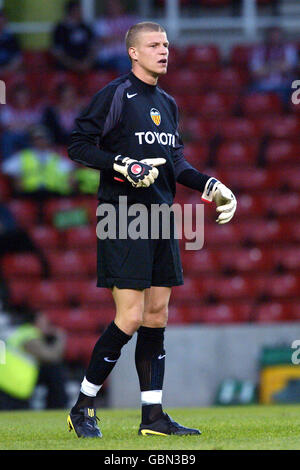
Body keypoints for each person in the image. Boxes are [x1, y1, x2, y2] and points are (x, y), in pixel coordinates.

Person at [67, 21, 237, 438]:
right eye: (154, 45)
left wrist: (212, 186)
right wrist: (122, 165)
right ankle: (83, 406)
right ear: (133, 53)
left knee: (157, 316)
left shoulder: (167, 103)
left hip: (161, 216)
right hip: (122, 215)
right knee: (129, 317)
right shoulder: (115, 95)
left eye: (166, 44)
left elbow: (175, 163)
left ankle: (153, 416)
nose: (164, 50)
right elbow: (78, 144)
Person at [0, 309, 67, 410]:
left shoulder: (20, 332)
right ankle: (57, 408)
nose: (48, 325)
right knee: (54, 369)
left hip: (9, 384)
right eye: (45, 321)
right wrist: (60, 338)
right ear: (36, 322)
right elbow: (51, 357)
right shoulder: (29, 336)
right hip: (10, 387)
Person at [2, 125, 74, 198]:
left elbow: (70, 170)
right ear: (32, 140)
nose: (40, 141)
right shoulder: (23, 156)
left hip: (52, 193)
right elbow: (5, 168)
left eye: (43, 138)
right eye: (37, 138)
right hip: (29, 194)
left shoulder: (56, 157)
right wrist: (16, 177)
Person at [249, 26, 298, 103]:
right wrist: (279, 65)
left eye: (277, 36)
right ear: (267, 37)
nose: (274, 38)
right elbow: (256, 72)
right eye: (272, 36)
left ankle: (287, 112)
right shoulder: (259, 50)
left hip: (286, 84)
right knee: (249, 94)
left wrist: (268, 66)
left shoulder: (289, 49)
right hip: (263, 85)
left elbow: (289, 67)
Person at [51, 0, 95, 74]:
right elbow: (57, 52)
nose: (81, 12)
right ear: (71, 11)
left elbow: (94, 46)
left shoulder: (86, 27)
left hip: (87, 65)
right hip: (67, 66)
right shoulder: (60, 28)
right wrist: (74, 65)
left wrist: (87, 62)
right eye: (78, 10)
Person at [93, 0, 137, 74]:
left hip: (129, 56)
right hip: (109, 57)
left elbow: (137, 38)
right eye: (110, 6)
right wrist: (125, 36)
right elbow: (104, 40)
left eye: (115, 5)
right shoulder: (101, 22)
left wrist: (115, 37)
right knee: (124, 64)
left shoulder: (132, 20)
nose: (112, 8)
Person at [0, 83, 42, 160]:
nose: (21, 100)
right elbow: (7, 127)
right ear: (14, 98)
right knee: (6, 137)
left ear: (28, 98)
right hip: (11, 137)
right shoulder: (7, 110)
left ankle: (31, 161)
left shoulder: (33, 111)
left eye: (24, 97)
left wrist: (17, 125)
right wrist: (25, 125)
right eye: (18, 97)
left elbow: (34, 127)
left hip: (28, 137)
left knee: (36, 137)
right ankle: (7, 163)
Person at [0, 9, 22, 76]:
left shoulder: (12, 39)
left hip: (8, 74)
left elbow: (17, 60)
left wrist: (5, 70)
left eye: (2, 21)